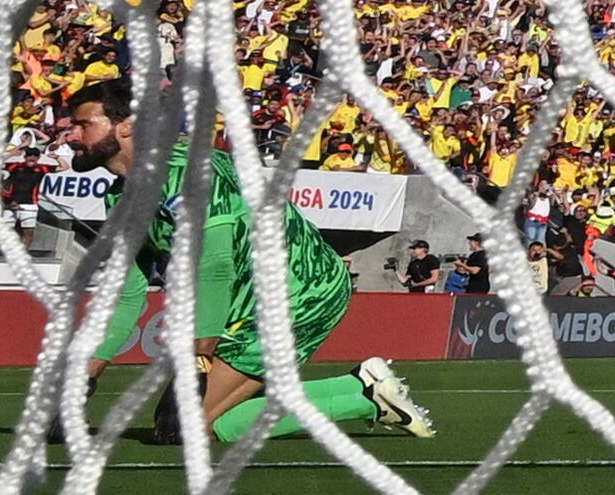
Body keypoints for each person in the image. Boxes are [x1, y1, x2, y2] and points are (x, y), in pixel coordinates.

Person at [56, 72, 434, 448]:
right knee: (198, 424)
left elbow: (215, 265)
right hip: (244, 305)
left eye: (82, 125)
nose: (71, 135)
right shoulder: (121, 198)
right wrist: (83, 380)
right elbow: (126, 293)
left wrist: (196, 366)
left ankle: (359, 394)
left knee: (188, 427)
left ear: (127, 127)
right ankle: (362, 390)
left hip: (302, 293)